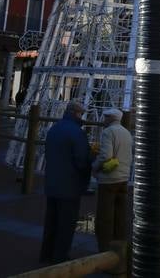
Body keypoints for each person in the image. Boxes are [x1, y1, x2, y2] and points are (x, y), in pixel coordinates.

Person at [40, 100, 92, 265]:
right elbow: (81, 160)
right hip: (70, 184)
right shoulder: (77, 133)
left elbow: (47, 152)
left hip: (52, 182)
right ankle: (60, 256)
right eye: (81, 114)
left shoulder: (54, 128)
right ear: (76, 114)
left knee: (51, 220)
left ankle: (46, 254)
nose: (82, 116)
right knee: (66, 223)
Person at [93, 107, 133, 263]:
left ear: (110, 118)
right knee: (120, 216)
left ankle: (104, 252)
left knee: (104, 217)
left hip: (109, 179)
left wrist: (94, 167)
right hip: (123, 178)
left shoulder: (108, 132)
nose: (104, 120)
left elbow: (105, 155)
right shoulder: (126, 133)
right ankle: (120, 248)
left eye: (105, 117)